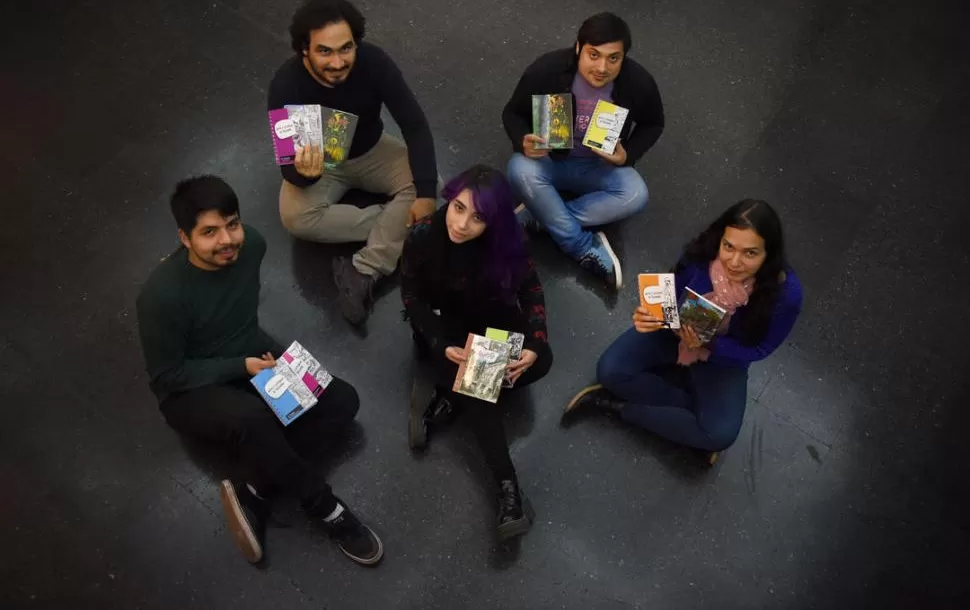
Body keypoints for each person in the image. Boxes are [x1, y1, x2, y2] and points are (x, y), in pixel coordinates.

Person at [136, 175, 383, 567]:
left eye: (231, 224)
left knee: (341, 400)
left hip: (248, 354)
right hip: (188, 389)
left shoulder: (252, 245)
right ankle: (327, 509)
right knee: (254, 420)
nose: (227, 241)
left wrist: (258, 358)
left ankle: (254, 486)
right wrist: (240, 365)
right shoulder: (160, 297)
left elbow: (239, 319)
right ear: (185, 239)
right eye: (209, 232)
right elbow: (167, 378)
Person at [564, 200, 802, 455]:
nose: (734, 262)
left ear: (769, 255)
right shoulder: (702, 252)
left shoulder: (785, 294)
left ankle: (619, 407)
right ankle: (689, 413)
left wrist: (709, 343)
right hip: (675, 330)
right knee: (610, 371)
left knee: (719, 435)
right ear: (720, 238)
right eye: (728, 246)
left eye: (750, 253)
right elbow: (672, 290)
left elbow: (760, 349)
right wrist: (651, 314)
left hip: (723, 358)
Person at [401, 165, 553, 541]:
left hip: (496, 324)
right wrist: (440, 343)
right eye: (457, 208)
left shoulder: (509, 240)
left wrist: (534, 344)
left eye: (478, 217)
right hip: (446, 330)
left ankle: (449, 396)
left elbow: (531, 287)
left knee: (541, 361)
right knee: (478, 389)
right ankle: (507, 487)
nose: (462, 224)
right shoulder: (422, 236)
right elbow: (411, 298)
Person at [268, 0, 439, 325]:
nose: (337, 62)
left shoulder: (374, 63)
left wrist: (427, 195)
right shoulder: (285, 86)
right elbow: (288, 167)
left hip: (372, 150)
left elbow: (415, 125)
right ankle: (399, 227)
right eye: (324, 51)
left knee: (432, 187)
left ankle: (363, 269)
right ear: (304, 49)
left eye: (345, 48)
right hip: (323, 167)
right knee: (295, 217)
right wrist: (304, 174)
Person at [502, 12, 665, 289]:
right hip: (550, 159)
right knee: (518, 168)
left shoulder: (639, 83)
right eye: (594, 55)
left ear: (623, 57)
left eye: (613, 58)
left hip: (599, 167)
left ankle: (543, 216)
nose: (602, 67)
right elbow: (511, 113)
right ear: (578, 48)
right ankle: (580, 246)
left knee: (637, 193)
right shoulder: (547, 70)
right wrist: (522, 141)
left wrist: (628, 155)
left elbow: (654, 123)